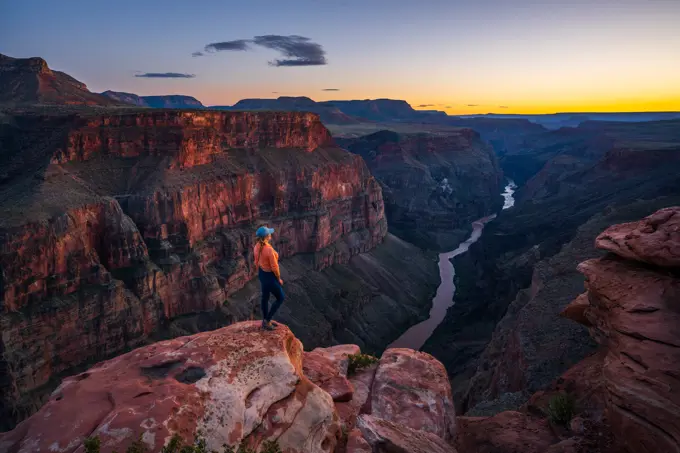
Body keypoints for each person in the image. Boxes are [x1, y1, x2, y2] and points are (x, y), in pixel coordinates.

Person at [254, 226, 285, 330]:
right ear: (267, 236)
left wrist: (261, 271)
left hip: (262, 274)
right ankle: (267, 321)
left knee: (265, 298)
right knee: (280, 297)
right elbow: (275, 268)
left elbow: (256, 261)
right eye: (269, 233)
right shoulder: (269, 250)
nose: (271, 235)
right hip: (270, 276)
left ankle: (265, 320)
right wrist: (278, 279)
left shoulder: (256, 246)